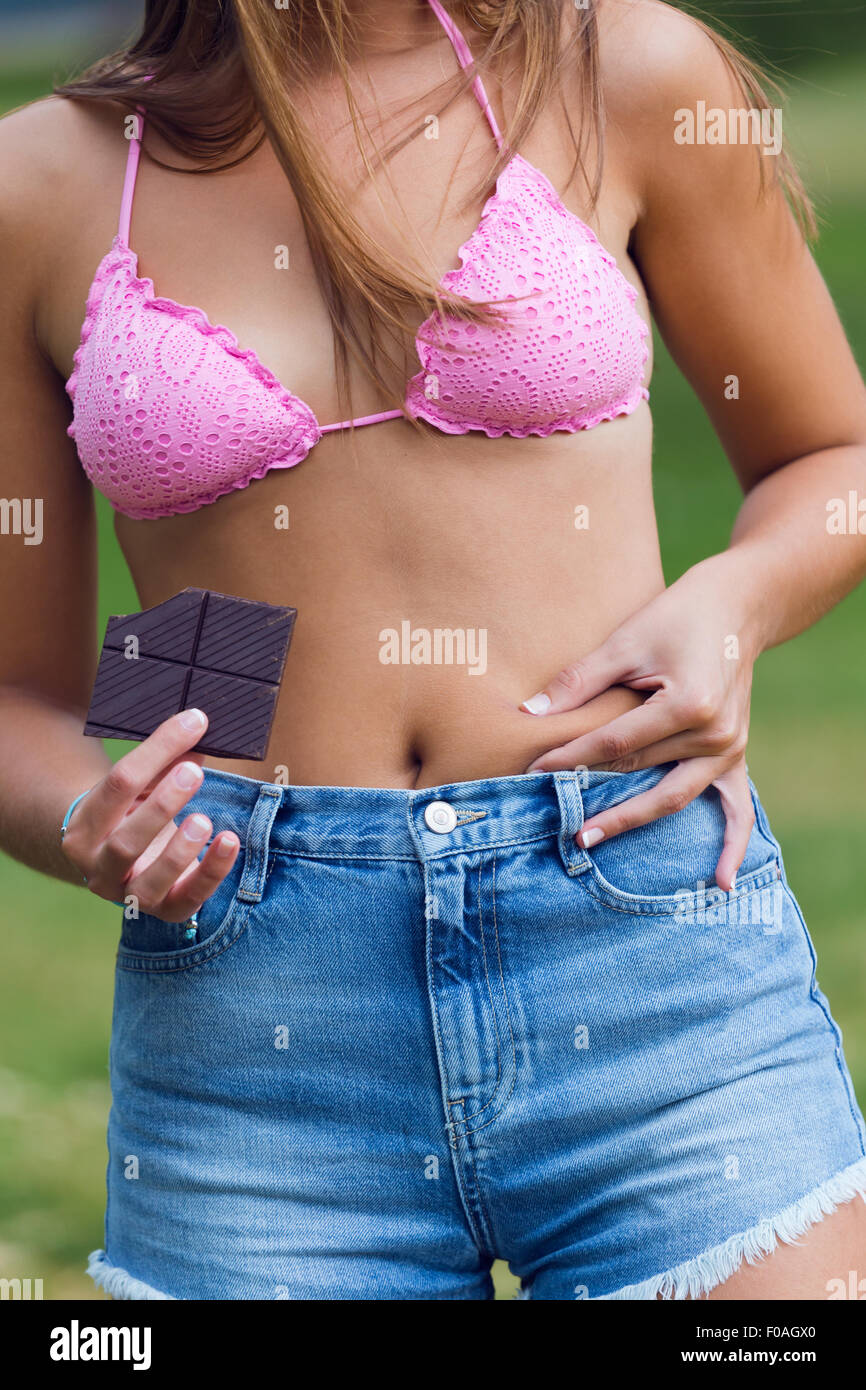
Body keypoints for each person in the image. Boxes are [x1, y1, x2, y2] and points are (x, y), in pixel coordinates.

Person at [1, 0, 864, 1300]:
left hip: (639, 930)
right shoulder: (43, 178)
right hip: (255, 996)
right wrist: (90, 813)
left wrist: (728, 605)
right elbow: (21, 695)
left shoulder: (622, 70)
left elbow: (832, 461)